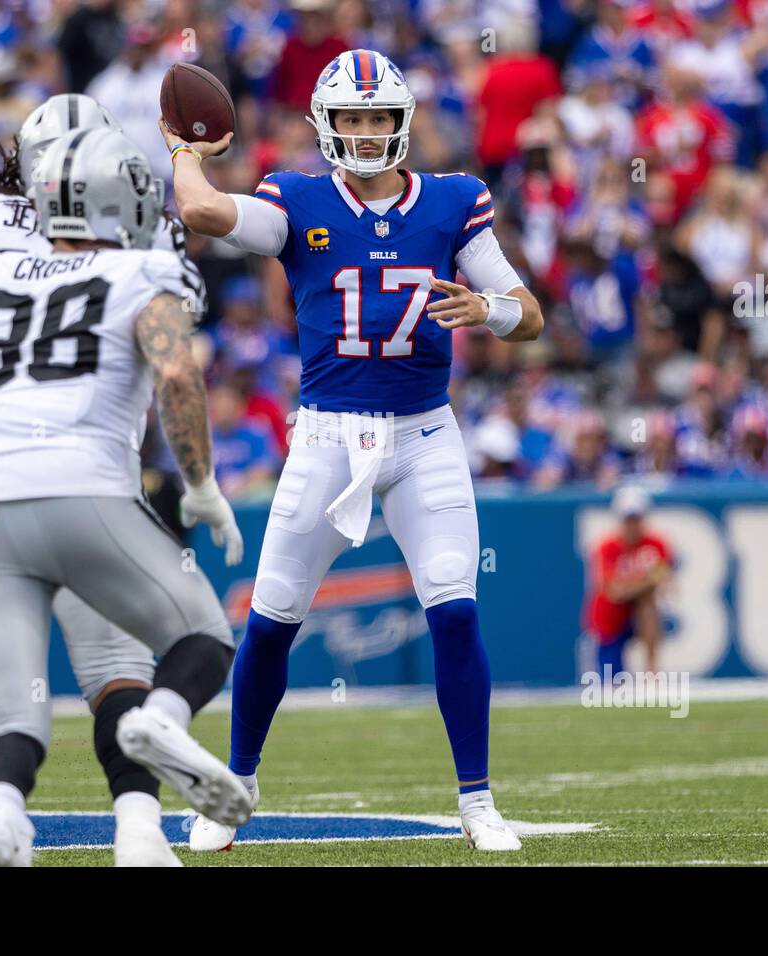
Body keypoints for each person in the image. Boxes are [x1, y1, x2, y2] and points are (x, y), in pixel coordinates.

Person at [165, 48, 543, 853]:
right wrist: (183, 152)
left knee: (454, 608)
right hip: (329, 435)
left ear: (401, 124)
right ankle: (236, 786)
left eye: (378, 119)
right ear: (325, 125)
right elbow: (203, 215)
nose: (366, 134)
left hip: (426, 434)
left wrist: (489, 310)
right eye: (351, 119)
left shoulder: (453, 201)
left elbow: (529, 311)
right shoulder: (297, 199)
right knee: (270, 620)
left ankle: (476, 800)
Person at [0, 127, 249, 867]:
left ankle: (4, 816)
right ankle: (161, 722)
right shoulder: (145, 271)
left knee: (13, 709)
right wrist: (201, 485)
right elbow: (176, 375)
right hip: (81, 487)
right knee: (202, 636)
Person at [582, 485, 673, 677]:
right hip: (610, 619)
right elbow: (614, 591)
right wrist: (648, 581)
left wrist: (637, 585)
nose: (632, 525)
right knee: (612, 682)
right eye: (628, 520)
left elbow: (667, 583)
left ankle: (652, 670)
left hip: (639, 614)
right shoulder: (607, 547)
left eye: (636, 519)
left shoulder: (655, 544)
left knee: (648, 605)